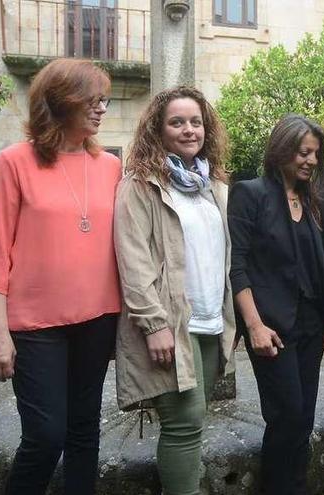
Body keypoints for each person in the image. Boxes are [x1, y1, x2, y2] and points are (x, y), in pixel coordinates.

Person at [0, 58, 121, 495]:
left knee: (84, 431)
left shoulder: (110, 166)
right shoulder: (14, 162)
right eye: (91, 100)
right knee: (45, 435)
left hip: (97, 319)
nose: (100, 109)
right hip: (35, 327)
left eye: (104, 101)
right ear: (59, 103)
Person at [113, 86, 236, 495]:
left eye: (196, 122)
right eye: (177, 122)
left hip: (208, 320)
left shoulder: (213, 185)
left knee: (194, 420)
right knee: (184, 422)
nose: (189, 130)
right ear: (158, 130)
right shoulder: (140, 185)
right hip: (169, 323)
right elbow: (133, 262)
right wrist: (153, 325)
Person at [228, 114, 324, 494]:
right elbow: (237, 266)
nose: (310, 161)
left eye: (315, 155)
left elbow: (314, 267)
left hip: (309, 324)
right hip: (272, 327)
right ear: (282, 150)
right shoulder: (250, 193)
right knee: (286, 416)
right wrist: (254, 325)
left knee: (303, 420)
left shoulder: (311, 201)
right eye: (303, 152)